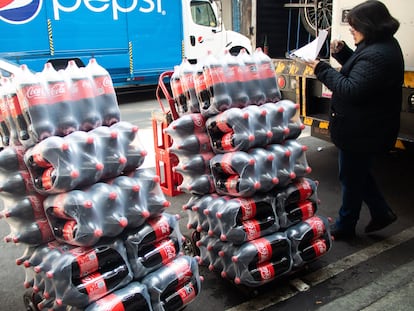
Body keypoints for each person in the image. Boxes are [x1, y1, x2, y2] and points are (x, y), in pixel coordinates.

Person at [305, 0, 403, 239]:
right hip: (364, 126)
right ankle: (381, 212)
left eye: (354, 26)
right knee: (357, 173)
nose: (351, 29)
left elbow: (351, 88)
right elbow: (361, 71)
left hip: (364, 129)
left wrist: (321, 69)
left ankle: (346, 224)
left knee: (350, 175)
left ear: (370, 25)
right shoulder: (378, 45)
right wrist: (342, 53)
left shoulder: (378, 54)